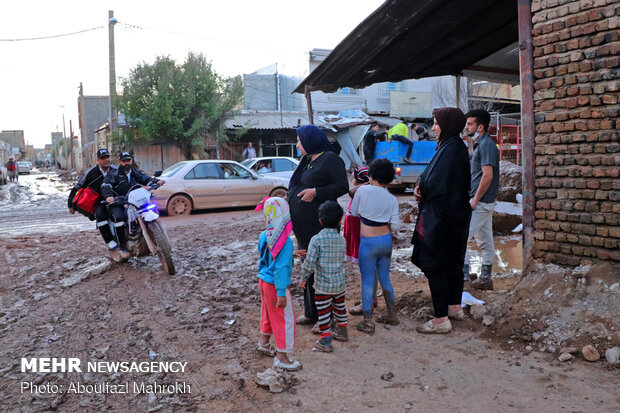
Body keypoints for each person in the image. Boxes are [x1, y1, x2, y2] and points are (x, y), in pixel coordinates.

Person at [411, 107, 471, 334]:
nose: (433, 127)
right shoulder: (451, 147)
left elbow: (436, 184)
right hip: (452, 218)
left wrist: (422, 189)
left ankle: (440, 319)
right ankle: (454, 307)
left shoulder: (452, 150)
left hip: (442, 220)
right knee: (452, 264)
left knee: (435, 265)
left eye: (436, 123)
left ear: (448, 124)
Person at [287, 125, 349, 333]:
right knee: (308, 266)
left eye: (299, 140)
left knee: (322, 270)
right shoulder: (308, 160)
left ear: (310, 141)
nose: (297, 144)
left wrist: (316, 191)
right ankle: (312, 313)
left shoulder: (331, 159)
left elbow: (342, 187)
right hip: (304, 228)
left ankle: (328, 317)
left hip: (320, 226)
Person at [349, 158, 402, 334]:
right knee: (385, 277)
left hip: (368, 242)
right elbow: (395, 227)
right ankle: (392, 315)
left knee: (367, 280)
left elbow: (353, 212)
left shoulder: (362, 191)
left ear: (371, 175)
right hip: (385, 241)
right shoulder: (392, 198)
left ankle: (368, 321)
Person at [254, 197, 301, 371]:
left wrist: (290, 254)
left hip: (263, 281)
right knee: (285, 319)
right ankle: (282, 357)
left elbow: (267, 255)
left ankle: (264, 343)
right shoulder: (286, 242)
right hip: (276, 286)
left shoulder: (263, 235)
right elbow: (281, 268)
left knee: (267, 313)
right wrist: (281, 292)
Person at [299, 201, 348, 352]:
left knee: (324, 313)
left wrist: (304, 278)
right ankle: (343, 331)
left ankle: (326, 341)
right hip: (339, 284)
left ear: (320, 221)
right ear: (340, 220)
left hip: (322, 286)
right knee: (340, 308)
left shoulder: (316, 240)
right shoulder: (342, 239)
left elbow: (309, 262)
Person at [463, 109, 500, 290]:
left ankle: (463, 278)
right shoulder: (481, 144)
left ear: (481, 127)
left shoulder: (486, 145)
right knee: (486, 241)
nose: (467, 127)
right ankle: (485, 278)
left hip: (482, 201)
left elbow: (487, 176)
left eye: (470, 124)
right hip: (484, 201)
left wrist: (475, 200)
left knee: (460, 238)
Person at [101, 151, 163, 258]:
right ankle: (123, 246)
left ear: (131, 161)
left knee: (149, 208)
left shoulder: (135, 172)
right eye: (124, 161)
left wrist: (156, 181)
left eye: (128, 160)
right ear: (120, 162)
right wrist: (109, 196)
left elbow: (146, 179)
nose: (126, 163)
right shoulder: (113, 174)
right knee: (120, 218)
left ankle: (155, 238)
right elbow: (106, 185)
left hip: (134, 200)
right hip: (119, 202)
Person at [67, 149, 120, 257]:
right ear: (98, 160)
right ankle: (109, 241)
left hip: (115, 199)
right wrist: (70, 204)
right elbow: (78, 186)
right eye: (103, 158)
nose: (106, 160)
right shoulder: (90, 172)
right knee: (100, 215)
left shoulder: (116, 170)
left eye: (107, 157)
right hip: (98, 202)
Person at [345, 166, 379, 316]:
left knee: (367, 270)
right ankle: (371, 299)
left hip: (363, 238)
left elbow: (351, 192)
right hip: (362, 237)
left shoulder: (362, 193)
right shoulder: (367, 192)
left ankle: (368, 303)